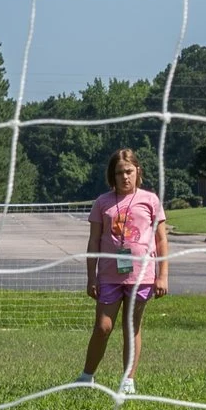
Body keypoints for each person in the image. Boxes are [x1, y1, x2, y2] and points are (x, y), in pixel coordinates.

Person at [75, 148, 168, 395]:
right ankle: (87, 376)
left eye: (129, 171)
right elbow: (94, 241)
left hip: (142, 276)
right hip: (108, 275)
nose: (125, 177)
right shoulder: (102, 203)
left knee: (131, 326)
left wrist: (162, 275)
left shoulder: (150, 201)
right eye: (119, 173)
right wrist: (91, 276)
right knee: (103, 326)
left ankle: (128, 380)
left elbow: (161, 240)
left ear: (138, 171)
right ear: (112, 176)